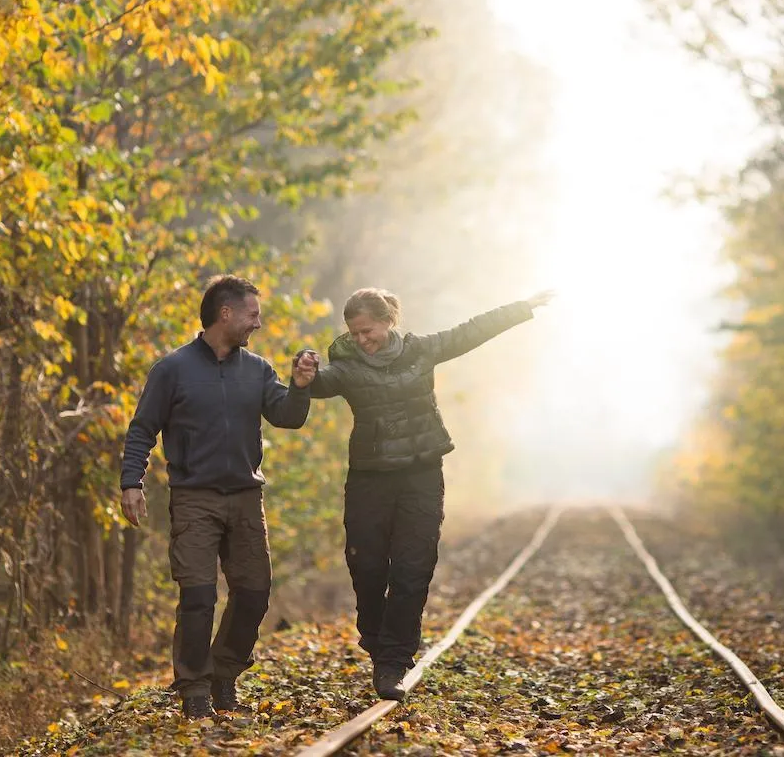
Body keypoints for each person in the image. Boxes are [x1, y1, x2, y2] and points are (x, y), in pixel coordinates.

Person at [304, 287, 553, 700]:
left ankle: (393, 662)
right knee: (366, 567)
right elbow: (321, 384)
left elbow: (472, 331)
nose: (362, 340)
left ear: (388, 321)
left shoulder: (421, 350)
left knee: (412, 569)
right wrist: (304, 376)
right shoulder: (346, 364)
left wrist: (521, 308)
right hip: (370, 477)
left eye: (368, 331)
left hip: (421, 474)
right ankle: (377, 637)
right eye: (355, 333)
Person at [118, 275, 320, 719]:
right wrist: (131, 483)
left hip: (247, 496)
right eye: (253, 314)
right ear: (225, 313)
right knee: (198, 597)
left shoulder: (258, 369)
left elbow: (287, 416)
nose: (258, 323)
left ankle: (223, 672)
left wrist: (300, 386)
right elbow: (141, 429)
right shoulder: (172, 369)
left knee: (254, 593)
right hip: (195, 498)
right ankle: (193, 690)